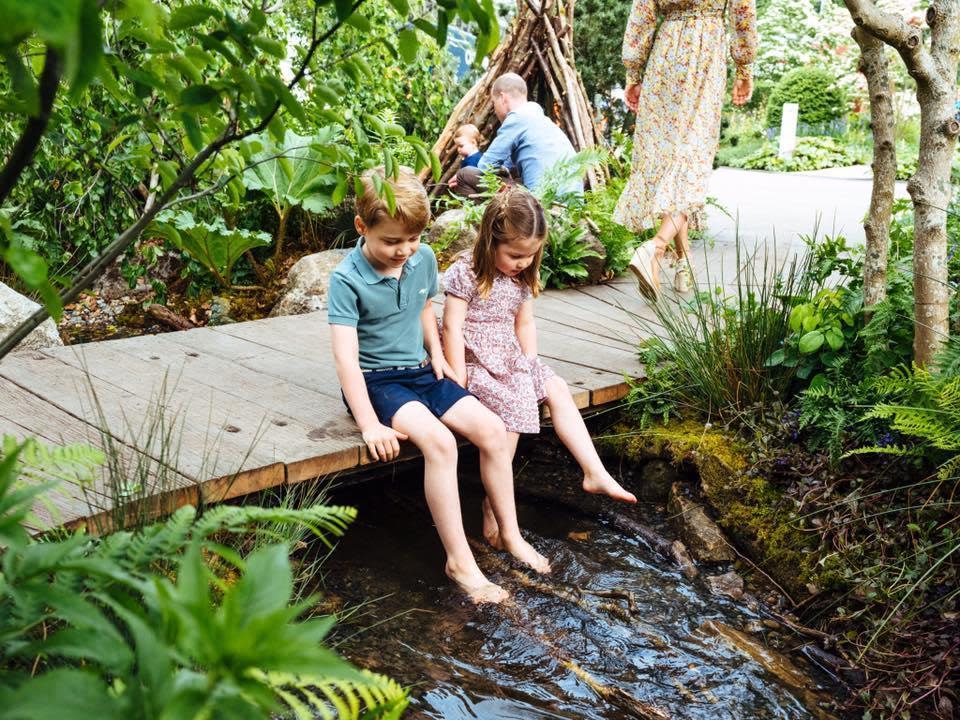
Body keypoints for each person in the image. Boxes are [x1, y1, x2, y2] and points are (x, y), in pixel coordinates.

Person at [328, 167, 550, 605]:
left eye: (412, 240)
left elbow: (426, 309)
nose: (404, 251)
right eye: (391, 241)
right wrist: (371, 424)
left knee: (490, 429)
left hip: (423, 371)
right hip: (377, 383)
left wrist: (442, 357)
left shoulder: (422, 258)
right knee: (441, 444)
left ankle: (510, 533)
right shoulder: (346, 279)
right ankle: (460, 562)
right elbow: (345, 359)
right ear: (362, 227)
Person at [442, 187, 637, 549]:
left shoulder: (520, 278)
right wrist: (458, 377)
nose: (523, 263)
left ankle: (594, 471)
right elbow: (452, 326)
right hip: (475, 360)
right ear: (490, 241)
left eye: (530, 256)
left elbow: (524, 324)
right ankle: (493, 508)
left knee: (557, 388)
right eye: (515, 255)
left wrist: (529, 363)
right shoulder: (465, 274)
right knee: (515, 409)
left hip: (511, 357)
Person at [615, 0, 757, 299]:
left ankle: (684, 262)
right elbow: (743, 14)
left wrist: (634, 73)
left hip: (666, 54)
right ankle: (654, 248)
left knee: (670, 159)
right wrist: (744, 67)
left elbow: (642, 14)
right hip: (706, 53)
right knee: (692, 160)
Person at [451, 73, 581, 197]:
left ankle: (487, 219)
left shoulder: (516, 118)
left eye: (494, 104)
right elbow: (509, 165)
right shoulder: (537, 117)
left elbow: (486, 166)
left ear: (503, 98)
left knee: (464, 175)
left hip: (542, 203)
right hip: (569, 202)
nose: (495, 111)